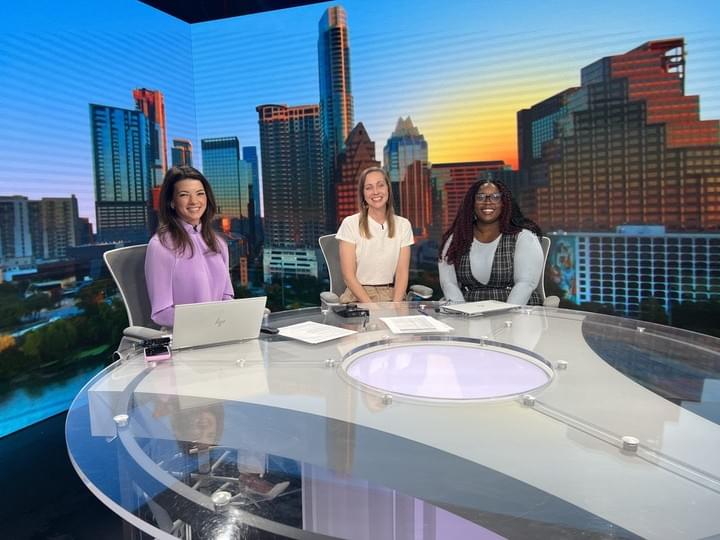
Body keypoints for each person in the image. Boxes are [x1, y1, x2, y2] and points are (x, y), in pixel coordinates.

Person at [145, 166, 234, 327]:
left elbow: (226, 297)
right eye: (184, 195)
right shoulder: (160, 246)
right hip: (185, 339)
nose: (194, 201)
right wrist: (205, 323)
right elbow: (161, 313)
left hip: (220, 332)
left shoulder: (219, 243)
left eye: (200, 194)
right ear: (171, 202)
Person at [438, 179, 543, 305]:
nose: (488, 202)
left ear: (504, 203)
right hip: (470, 310)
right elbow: (448, 283)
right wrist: (461, 313)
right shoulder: (457, 238)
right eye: (481, 197)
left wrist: (509, 317)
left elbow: (525, 284)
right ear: (472, 203)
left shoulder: (523, 237)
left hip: (517, 311)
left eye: (495, 197)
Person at [336, 166, 414, 303]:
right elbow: (349, 276)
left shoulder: (403, 225)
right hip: (358, 297)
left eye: (380, 185)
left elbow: (402, 273)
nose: (375, 192)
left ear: (388, 189)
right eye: (369, 188)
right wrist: (372, 308)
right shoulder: (350, 224)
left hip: (392, 295)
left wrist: (395, 305)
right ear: (363, 194)